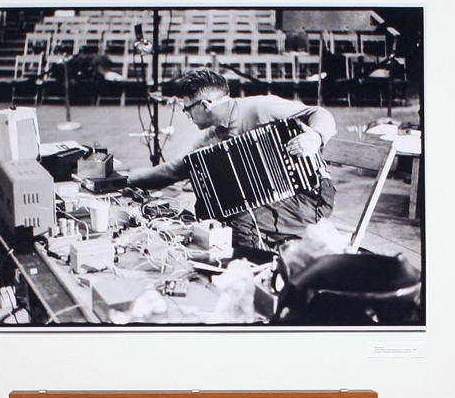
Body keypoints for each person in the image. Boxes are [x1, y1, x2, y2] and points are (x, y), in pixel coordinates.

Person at [125, 69, 339, 261]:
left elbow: (319, 113)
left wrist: (316, 137)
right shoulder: (212, 135)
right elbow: (175, 169)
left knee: (240, 217)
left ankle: (253, 271)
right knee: (206, 209)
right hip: (271, 200)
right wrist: (125, 179)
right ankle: (237, 263)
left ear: (205, 105)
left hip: (311, 197)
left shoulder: (260, 107)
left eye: (187, 109)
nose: (187, 115)